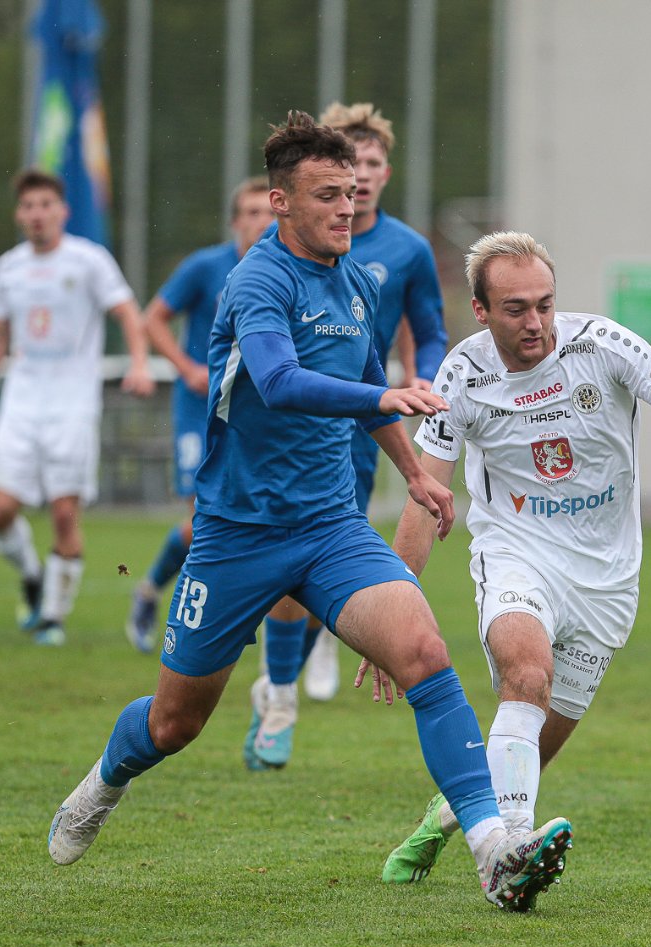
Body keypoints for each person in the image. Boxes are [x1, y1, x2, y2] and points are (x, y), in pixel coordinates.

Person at [46, 112, 573, 913]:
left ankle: (493, 849)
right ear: (280, 201)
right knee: (174, 724)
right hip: (237, 534)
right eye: (327, 194)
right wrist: (381, 395)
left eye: (352, 192)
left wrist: (415, 474)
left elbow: (366, 394)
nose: (346, 207)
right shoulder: (259, 280)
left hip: (331, 527)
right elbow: (279, 380)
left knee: (426, 653)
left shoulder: (357, 282)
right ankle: (103, 782)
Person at [369, 231, 651, 888]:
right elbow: (425, 493)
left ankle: (449, 814)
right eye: (516, 308)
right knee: (527, 674)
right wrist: (391, 604)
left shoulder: (603, 345)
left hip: (607, 579)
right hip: (516, 554)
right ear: (480, 309)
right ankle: (507, 859)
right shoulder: (463, 375)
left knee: (529, 748)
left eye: (545, 304)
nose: (536, 322)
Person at [245, 101, 451, 771]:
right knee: (288, 568)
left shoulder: (403, 251)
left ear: (382, 173)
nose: (354, 184)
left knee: (330, 552)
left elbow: (429, 329)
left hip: (365, 419)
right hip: (297, 426)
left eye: (367, 167)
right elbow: (275, 366)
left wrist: (422, 383)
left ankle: (316, 646)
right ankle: (280, 694)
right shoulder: (276, 257)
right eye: (343, 171)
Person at [0, 169, 153, 645]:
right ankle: (32, 573)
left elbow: (127, 312)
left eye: (46, 205)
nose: (37, 214)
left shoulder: (88, 260)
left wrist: (139, 363)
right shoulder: (9, 268)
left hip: (72, 404)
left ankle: (52, 617)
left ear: (62, 211)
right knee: (0, 510)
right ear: (19, 214)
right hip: (21, 400)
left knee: (64, 513)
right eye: (29, 206)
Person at [124, 178, 274, 652]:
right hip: (200, 411)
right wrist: (187, 367)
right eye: (251, 212)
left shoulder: (286, 270)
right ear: (234, 222)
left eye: (268, 212)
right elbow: (152, 319)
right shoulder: (206, 266)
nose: (261, 221)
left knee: (248, 516)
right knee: (202, 517)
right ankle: (157, 594)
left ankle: (208, 608)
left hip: (254, 417)